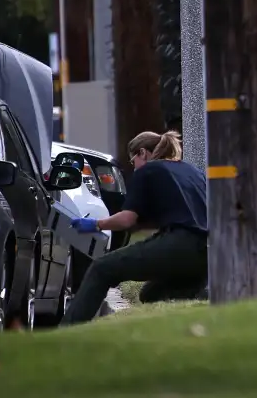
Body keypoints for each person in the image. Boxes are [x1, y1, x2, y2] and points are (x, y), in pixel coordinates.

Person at [60, 130, 208, 325]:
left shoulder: (148, 170)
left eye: (133, 161)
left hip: (180, 243)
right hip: (206, 254)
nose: (134, 167)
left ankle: (68, 330)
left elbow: (127, 219)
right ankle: (188, 312)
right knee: (151, 294)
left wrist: (96, 224)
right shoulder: (192, 171)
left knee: (102, 268)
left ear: (142, 153)